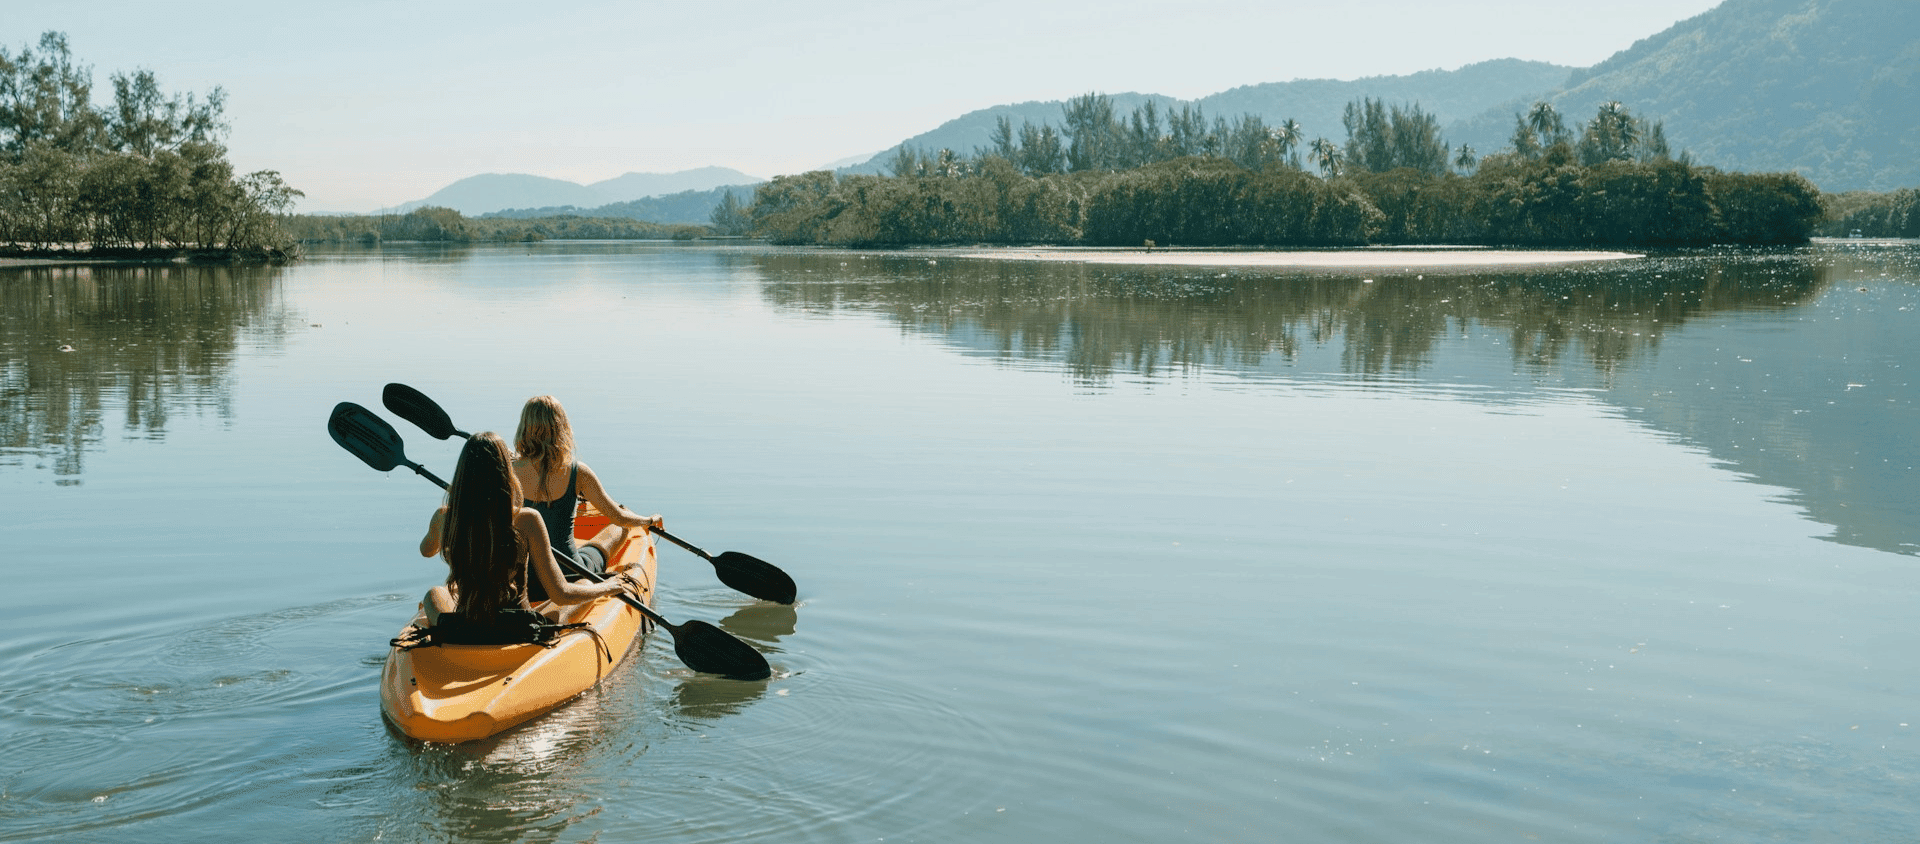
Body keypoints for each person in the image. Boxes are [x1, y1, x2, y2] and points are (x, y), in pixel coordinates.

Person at [417, 432, 638, 625]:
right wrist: (609, 587)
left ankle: (448, 626)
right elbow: (560, 594)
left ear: (462, 476)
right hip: (518, 626)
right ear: (505, 474)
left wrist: (444, 530)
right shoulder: (527, 519)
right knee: (583, 582)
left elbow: (426, 551)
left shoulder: (445, 517)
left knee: (433, 595)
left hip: (467, 622)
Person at [511, 395, 661, 602]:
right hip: (569, 573)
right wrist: (648, 520)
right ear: (561, 428)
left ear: (524, 427)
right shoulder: (577, 472)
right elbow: (618, 517)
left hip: (526, 579)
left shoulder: (509, 472)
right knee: (619, 528)